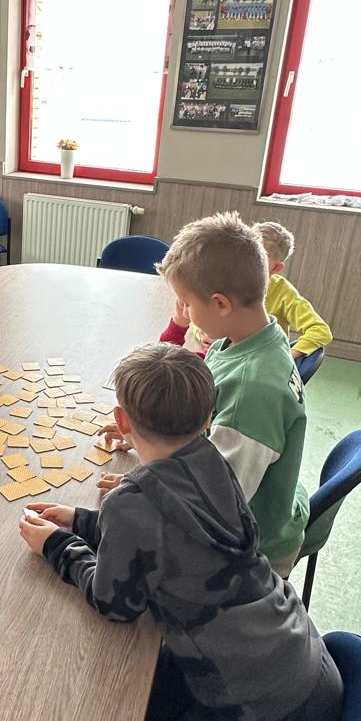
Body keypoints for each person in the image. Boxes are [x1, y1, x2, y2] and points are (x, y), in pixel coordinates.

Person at [18, 343, 341, 721]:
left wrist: (58, 545)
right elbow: (172, 533)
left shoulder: (130, 503)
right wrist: (84, 521)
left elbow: (115, 604)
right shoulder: (216, 463)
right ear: (209, 417)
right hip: (312, 669)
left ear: (122, 421)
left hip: (264, 718)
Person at [110, 213, 308, 574]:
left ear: (220, 303)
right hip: (243, 502)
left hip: (252, 551)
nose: (185, 313)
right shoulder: (243, 341)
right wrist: (148, 433)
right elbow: (205, 434)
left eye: (187, 303)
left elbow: (218, 503)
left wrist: (146, 486)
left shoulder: (253, 392)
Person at [252, 220, 333, 363]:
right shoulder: (229, 280)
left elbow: (320, 330)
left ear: (275, 268)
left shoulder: (283, 292)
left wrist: (288, 356)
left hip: (261, 362)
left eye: (256, 261)